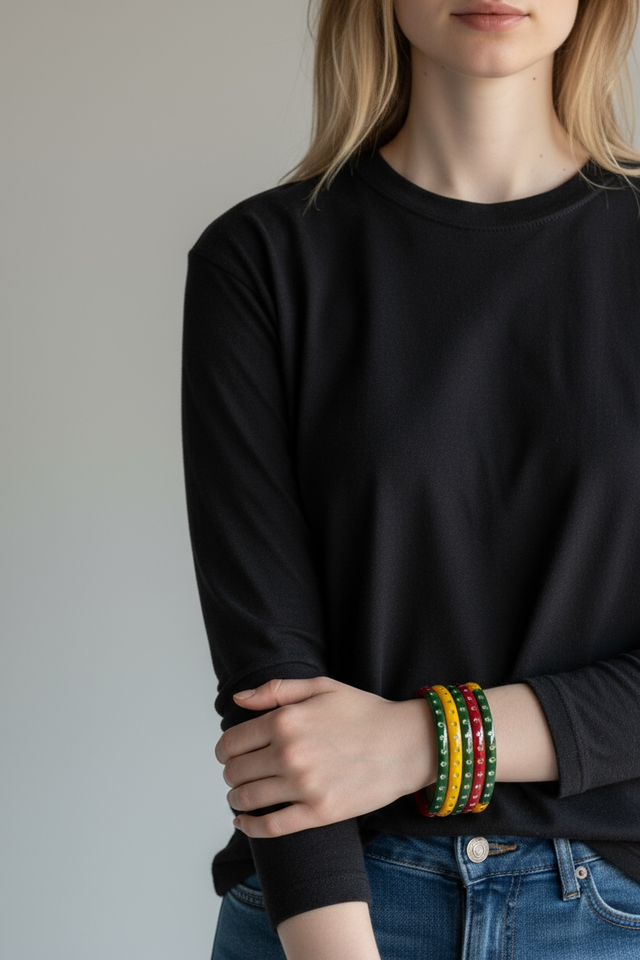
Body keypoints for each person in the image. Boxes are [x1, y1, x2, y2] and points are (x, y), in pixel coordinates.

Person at [181, 0, 640, 957]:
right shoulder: (260, 260)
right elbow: (270, 687)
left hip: (612, 908)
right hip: (331, 907)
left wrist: (422, 741)